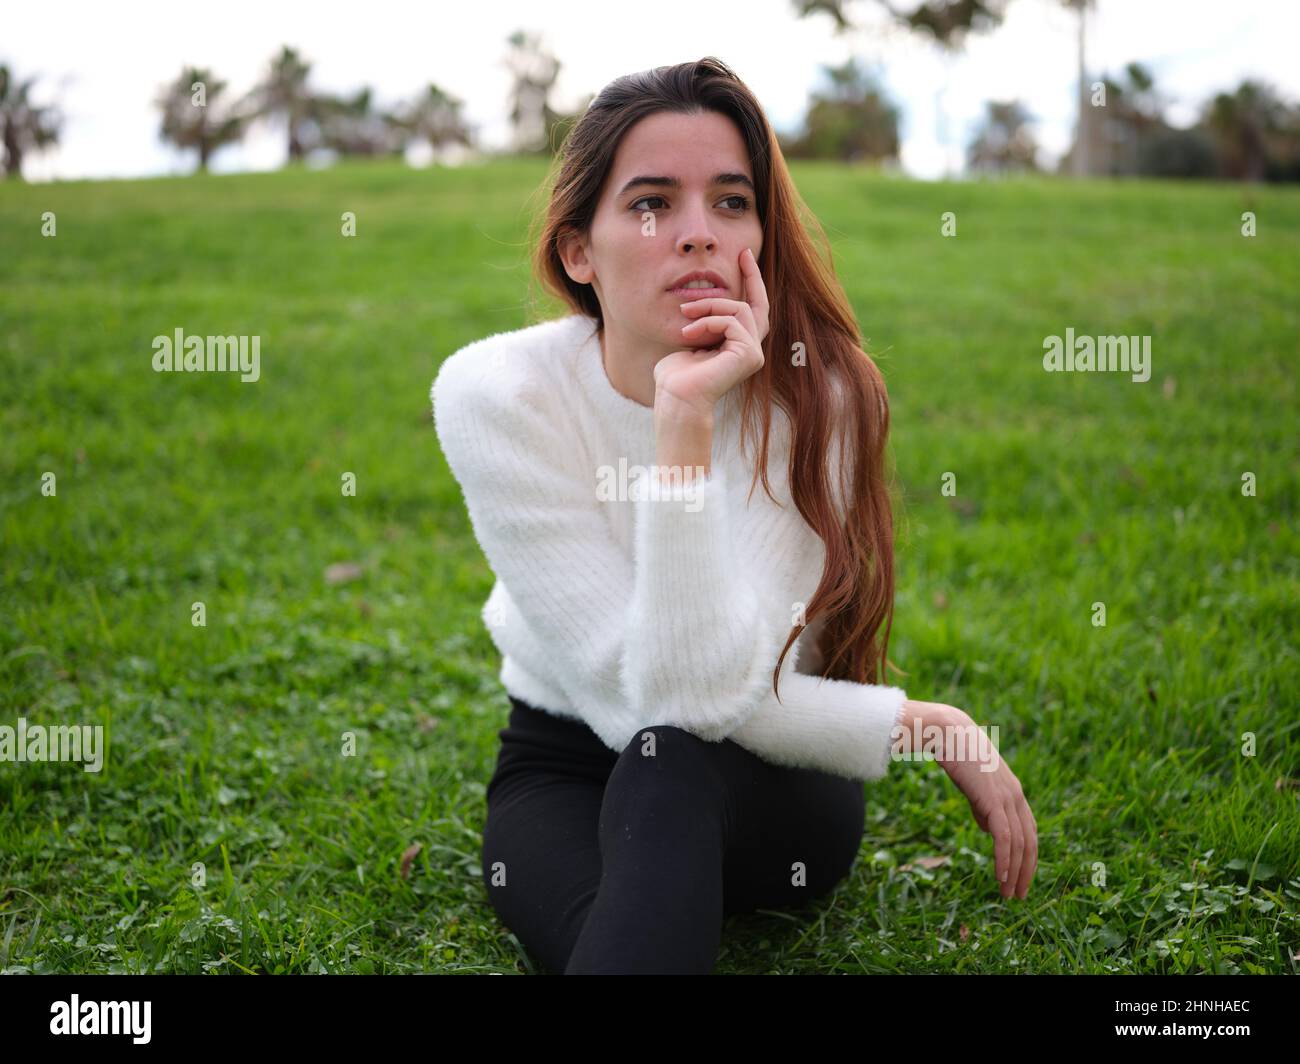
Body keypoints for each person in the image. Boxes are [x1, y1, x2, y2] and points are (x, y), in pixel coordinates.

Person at [431, 56, 1037, 975]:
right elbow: (644, 695)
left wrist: (691, 418)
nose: (696, 236)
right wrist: (920, 723)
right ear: (576, 251)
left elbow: (696, 706)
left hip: (769, 778)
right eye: (649, 204)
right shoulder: (499, 395)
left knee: (668, 761)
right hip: (564, 759)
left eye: (729, 201)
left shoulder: (815, 403)